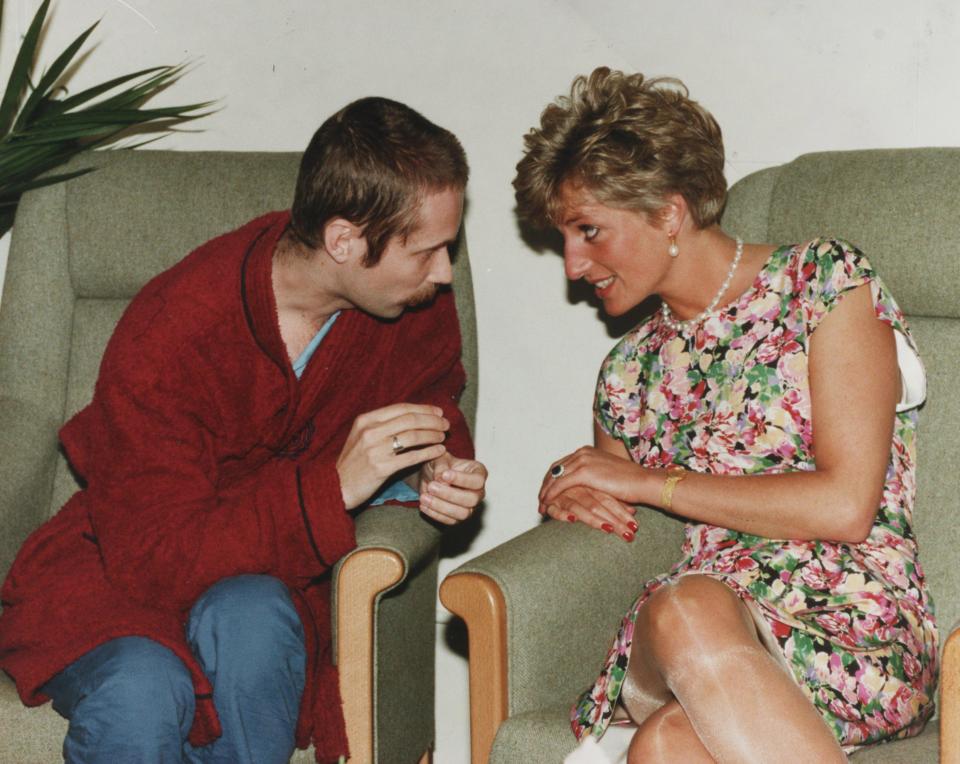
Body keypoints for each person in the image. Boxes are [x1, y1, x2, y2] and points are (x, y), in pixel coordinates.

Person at [0, 97, 487, 764]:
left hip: (264, 580)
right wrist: (330, 487)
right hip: (122, 567)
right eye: (427, 251)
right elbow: (153, 559)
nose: (443, 274)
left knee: (254, 622)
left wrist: (434, 466)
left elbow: (434, 398)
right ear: (344, 241)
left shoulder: (409, 310)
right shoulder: (173, 330)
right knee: (143, 693)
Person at [513, 67, 936, 762]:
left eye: (589, 231)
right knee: (686, 606)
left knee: (667, 747)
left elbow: (844, 507)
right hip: (692, 625)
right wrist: (578, 491)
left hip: (852, 630)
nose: (572, 264)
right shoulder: (626, 372)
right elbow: (620, 514)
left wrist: (648, 482)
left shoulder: (823, 285)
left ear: (669, 211)